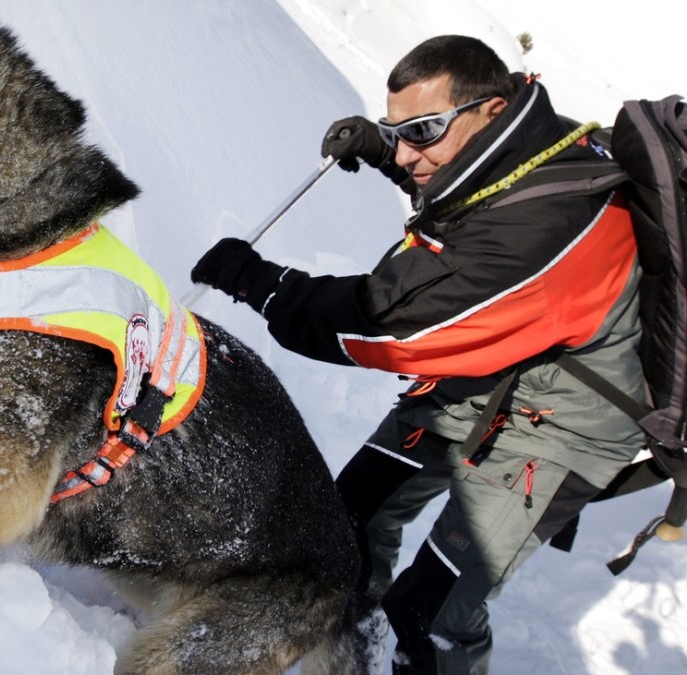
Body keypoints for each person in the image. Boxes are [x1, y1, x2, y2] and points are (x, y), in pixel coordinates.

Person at [191, 35, 645, 674]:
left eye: (421, 131)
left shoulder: (551, 229)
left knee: (428, 614)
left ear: (490, 108)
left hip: (564, 423)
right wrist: (383, 151)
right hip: (482, 377)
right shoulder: (528, 139)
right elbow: (476, 195)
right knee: (344, 518)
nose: (407, 152)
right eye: (395, 131)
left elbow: (388, 325)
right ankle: (346, 649)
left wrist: (261, 284)